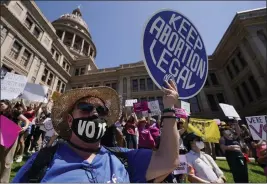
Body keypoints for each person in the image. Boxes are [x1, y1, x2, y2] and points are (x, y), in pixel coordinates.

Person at [13, 79, 180, 183]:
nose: (94, 113)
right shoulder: (41, 162)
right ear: (70, 120)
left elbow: (169, 160)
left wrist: (169, 108)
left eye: (101, 111)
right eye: (85, 108)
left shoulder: (124, 159)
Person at [0, 99, 30, 183]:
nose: (0, 106)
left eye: (1, 104)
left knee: (6, 160)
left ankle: (3, 181)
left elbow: (26, 120)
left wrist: (25, 127)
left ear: (7, 104)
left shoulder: (14, 111)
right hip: (1, 136)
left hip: (11, 136)